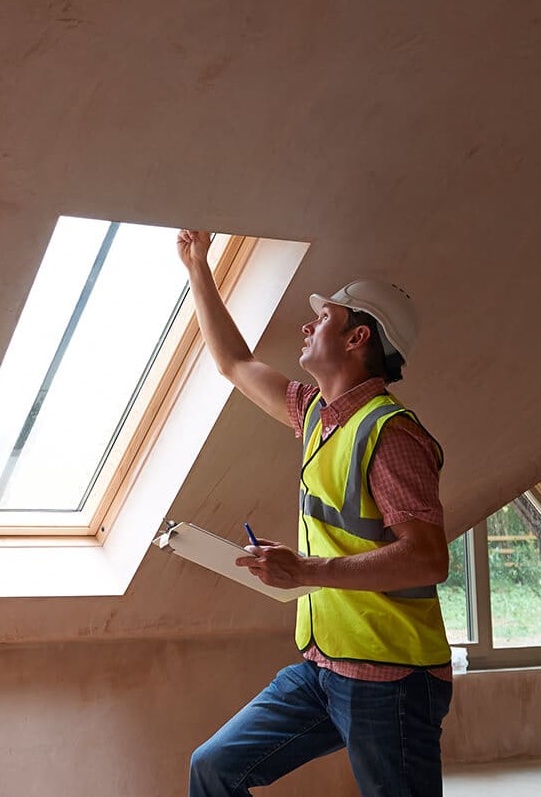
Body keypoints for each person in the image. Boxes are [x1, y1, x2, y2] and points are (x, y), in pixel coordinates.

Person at [176, 230, 453, 797]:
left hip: (391, 677)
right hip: (324, 668)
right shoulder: (318, 417)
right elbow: (234, 362)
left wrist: (305, 571)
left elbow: (428, 558)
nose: (306, 326)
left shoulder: (389, 432)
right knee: (213, 768)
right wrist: (197, 267)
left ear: (357, 337)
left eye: (321, 317)